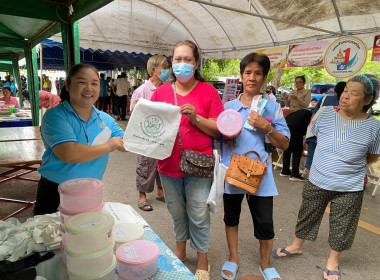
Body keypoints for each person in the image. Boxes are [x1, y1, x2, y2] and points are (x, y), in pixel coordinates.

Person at [273, 74, 380, 280]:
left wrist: (347, 163)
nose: (345, 96)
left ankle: (333, 260)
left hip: (350, 185)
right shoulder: (325, 113)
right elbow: (311, 140)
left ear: (367, 100)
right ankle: (296, 246)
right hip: (318, 178)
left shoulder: (374, 126)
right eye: (345, 90)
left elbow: (372, 156)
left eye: (354, 93)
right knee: (307, 213)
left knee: (343, 223)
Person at [150, 40, 224, 280]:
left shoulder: (208, 91)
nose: (182, 64)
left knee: (199, 212)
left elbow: (219, 129)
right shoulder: (161, 92)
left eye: (187, 60)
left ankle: (203, 258)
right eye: (177, 59)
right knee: (176, 211)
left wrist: (196, 118)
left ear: (196, 63)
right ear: (171, 63)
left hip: (198, 164)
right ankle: (180, 251)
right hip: (167, 165)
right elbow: (152, 128)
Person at [220, 53, 290, 280]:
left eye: (257, 73)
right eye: (248, 72)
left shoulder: (272, 108)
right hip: (232, 173)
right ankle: (233, 258)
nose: (252, 77)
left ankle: (265, 264)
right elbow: (216, 139)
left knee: (265, 222)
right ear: (241, 76)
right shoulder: (228, 107)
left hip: (261, 175)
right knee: (231, 217)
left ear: (264, 77)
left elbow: (285, 144)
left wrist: (266, 127)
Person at [34, 64, 126, 216]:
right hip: (55, 191)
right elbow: (69, 153)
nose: (89, 88)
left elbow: (126, 142)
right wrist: (109, 146)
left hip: (90, 191)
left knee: (86, 233)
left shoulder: (104, 119)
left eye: (94, 83)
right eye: (82, 82)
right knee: (52, 236)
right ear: (68, 85)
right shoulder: (55, 116)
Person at [130, 55, 169, 211]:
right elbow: (133, 112)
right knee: (145, 165)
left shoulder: (167, 88)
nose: (168, 70)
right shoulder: (143, 90)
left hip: (163, 135)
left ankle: (161, 192)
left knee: (161, 164)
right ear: (154, 70)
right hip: (146, 136)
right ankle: (142, 196)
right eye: (164, 67)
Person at [304, 81, 346, 176]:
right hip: (333, 139)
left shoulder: (325, 98)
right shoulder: (346, 104)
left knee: (310, 160)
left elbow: (313, 117)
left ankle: (310, 181)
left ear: (335, 90)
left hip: (315, 134)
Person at [280, 76, 312, 181]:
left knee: (295, 144)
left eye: (299, 82)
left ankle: (291, 171)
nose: (297, 84)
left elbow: (306, 104)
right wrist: (285, 97)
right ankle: (289, 171)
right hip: (290, 116)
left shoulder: (307, 92)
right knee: (289, 144)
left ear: (303, 83)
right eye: (296, 82)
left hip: (300, 117)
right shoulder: (292, 92)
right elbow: (288, 105)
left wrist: (297, 98)